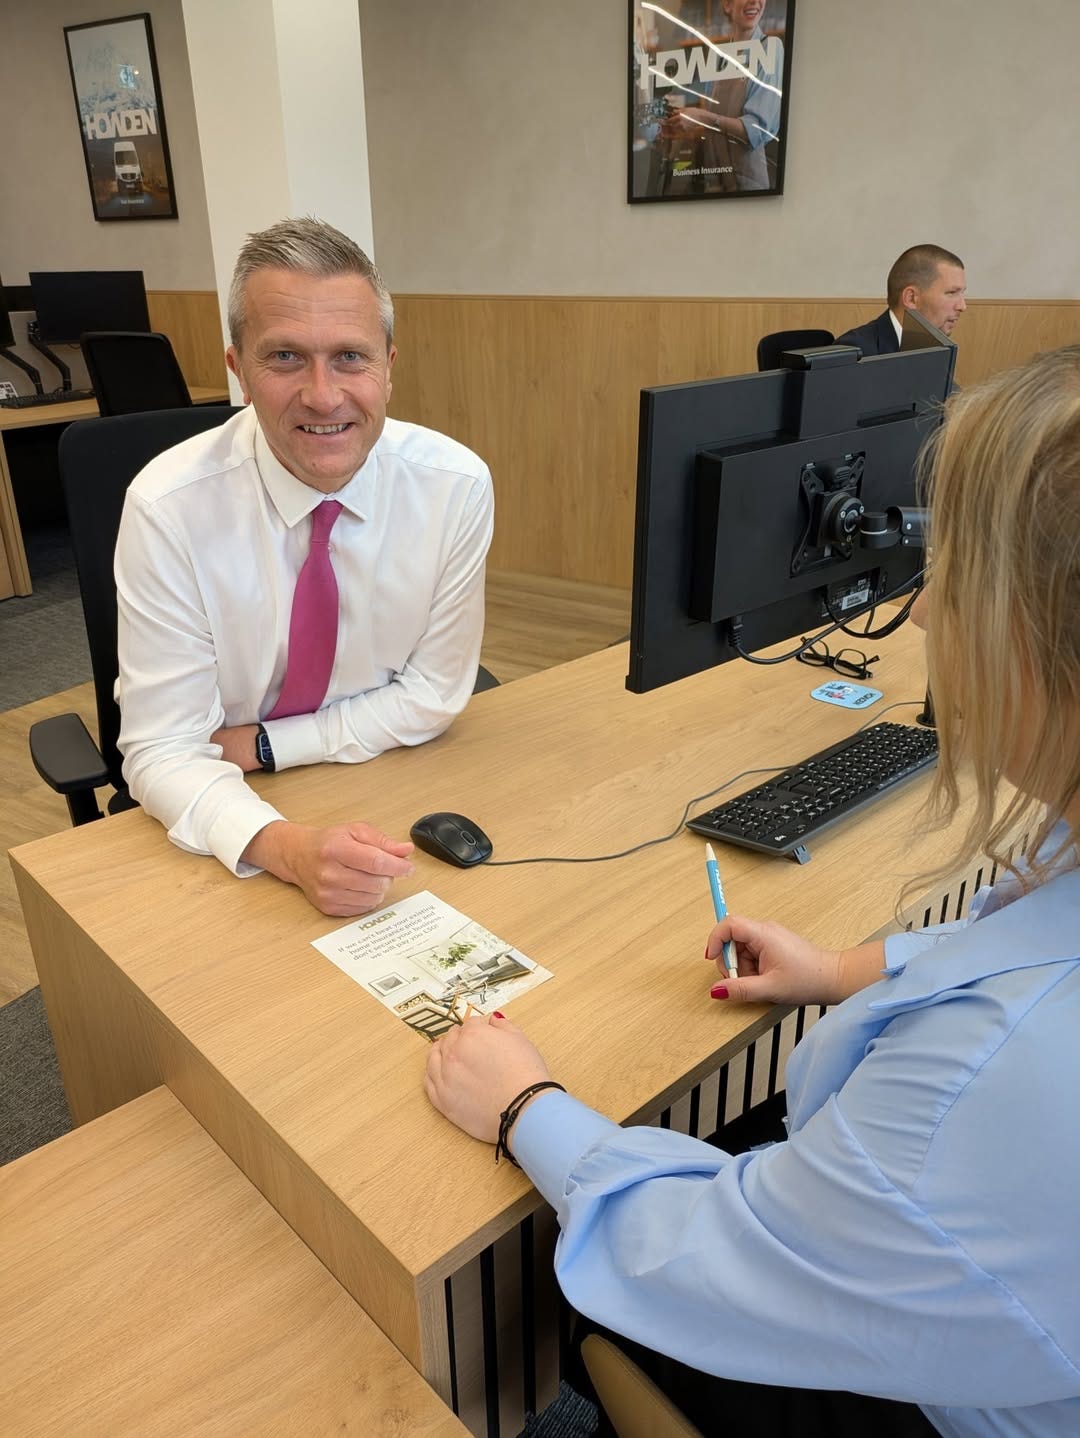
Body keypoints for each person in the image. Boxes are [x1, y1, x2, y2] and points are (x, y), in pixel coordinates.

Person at [425, 346, 1080, 1435]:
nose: (921, 619)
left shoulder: (997, 1081)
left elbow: (704, 1255)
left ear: (1039, 637)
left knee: (568, 1260)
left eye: (953, 573)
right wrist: (840, 970)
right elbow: (1026, 936)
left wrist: (525, 1107)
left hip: (953, 1401)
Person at [115, 218, 494, 916]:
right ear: (238, 370)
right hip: (231, 820)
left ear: (389, 364)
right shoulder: (168, 507)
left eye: (351, 357)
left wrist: (264, 744)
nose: (323, 395)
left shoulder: (454, 487)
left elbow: (437, 694)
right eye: (285, 357)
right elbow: (165, 749)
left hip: (380, 782)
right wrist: (288, 849)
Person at [668, 0, 785, 193]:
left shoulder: (771, 48)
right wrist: (676, 127)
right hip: (718, 183)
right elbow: (704, 116)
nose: (755, 2)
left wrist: (702, 117)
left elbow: (754, 131)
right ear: (727, 5)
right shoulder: (720, 59)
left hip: (749, 189)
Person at [836, 244, 967, 355]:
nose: (962, 306)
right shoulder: (855, 352)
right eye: (951, 293)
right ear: (911, 298)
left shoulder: (937, 350)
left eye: (962, 293)